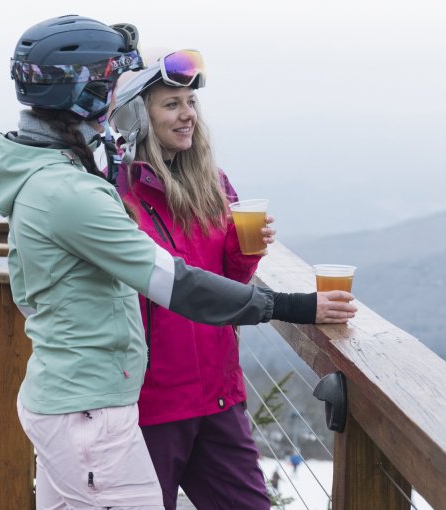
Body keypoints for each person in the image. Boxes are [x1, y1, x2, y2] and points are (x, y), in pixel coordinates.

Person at [0, 15, 356, 509]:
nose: (112, 105)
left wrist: (242, 252)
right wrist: (294, 305)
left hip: (104, 404)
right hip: (99, 411)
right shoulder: (76, 191)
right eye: (109, 87)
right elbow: (177, 284)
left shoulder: (58, 178)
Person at [109, 48, 311, 510]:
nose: (187, 116)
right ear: (135, 116)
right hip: (151, 406)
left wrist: (245, 251)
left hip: (219, 396)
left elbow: (227, 280)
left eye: (191, 103)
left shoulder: (213, 183)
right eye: (171, 104)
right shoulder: (118, 193)